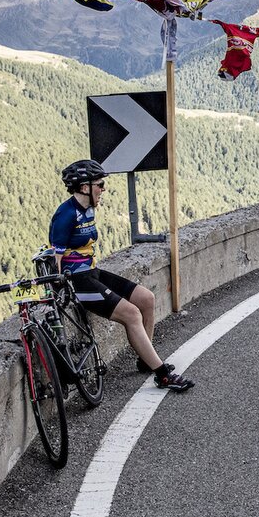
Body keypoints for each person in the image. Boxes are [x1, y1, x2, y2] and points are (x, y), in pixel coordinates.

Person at [50, 160, 195, 391]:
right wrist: (58, 291)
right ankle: (161, 374)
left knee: (146, 299)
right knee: (131, 314)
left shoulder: (87, 209)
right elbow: (54, 258)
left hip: (92, 272)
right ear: (84, 187)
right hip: (78, 282)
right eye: (100, 184)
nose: (103, 189)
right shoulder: (65, 215)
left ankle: (146, 361)